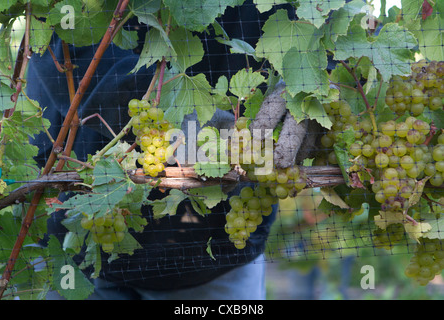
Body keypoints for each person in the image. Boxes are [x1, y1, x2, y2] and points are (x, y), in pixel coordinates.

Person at [27, 1, 296, 300]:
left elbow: (324, 24)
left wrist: (311, 87)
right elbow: (54, 31)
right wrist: (169, 113)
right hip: (75, 230)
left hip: (214, 254)